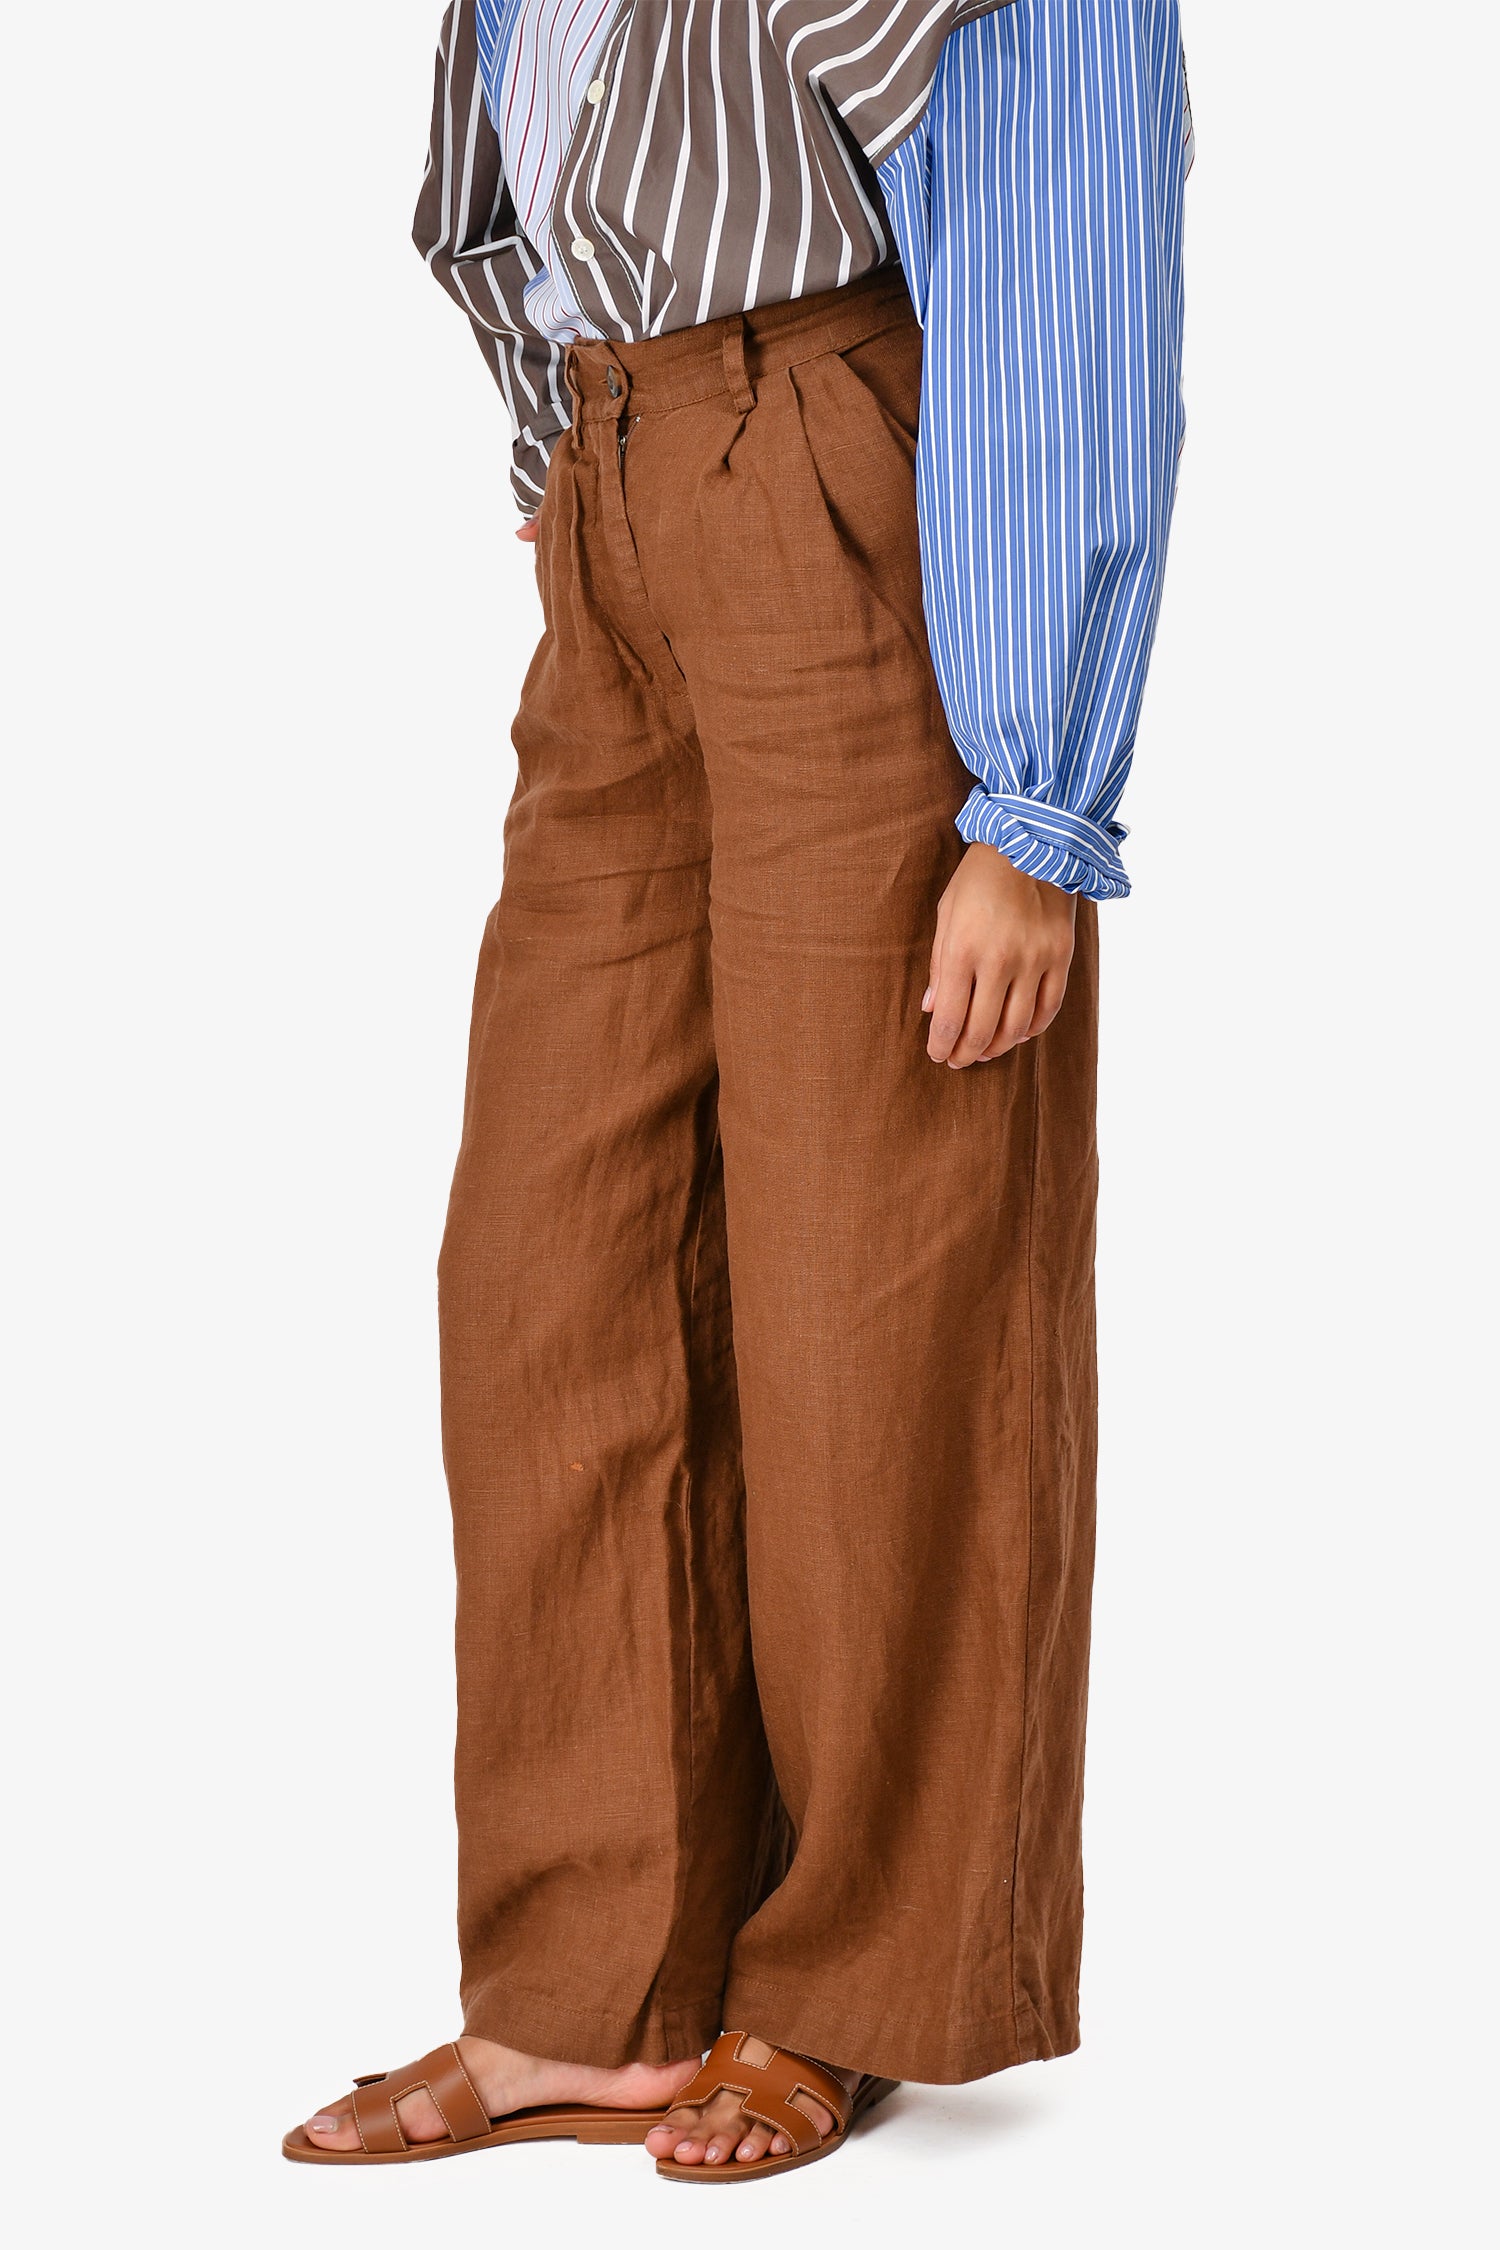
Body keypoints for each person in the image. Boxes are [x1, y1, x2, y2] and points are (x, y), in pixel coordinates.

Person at [284, 0, 1190, 2185]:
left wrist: (1036, 803)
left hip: (840, 485)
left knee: (871, 1288)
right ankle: (595, 1989)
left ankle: (857, 1984)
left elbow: (1065, 227)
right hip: (623, 495)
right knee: (549, 1272)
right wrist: (571, 453)